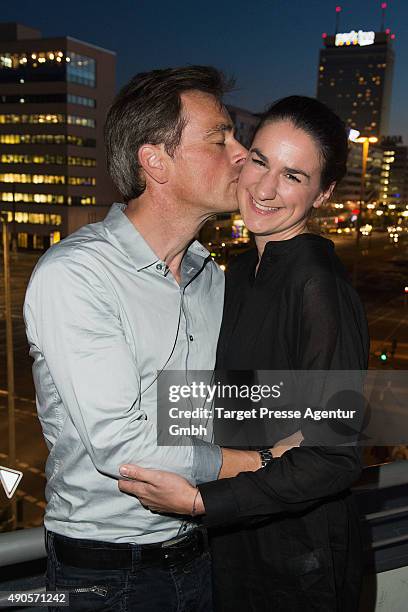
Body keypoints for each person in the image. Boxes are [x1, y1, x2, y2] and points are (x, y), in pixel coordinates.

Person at [24, 66, 299, 612]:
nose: (241, 154)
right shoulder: (78, 274)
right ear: (155, 161)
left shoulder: (211, 278)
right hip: (102, 573)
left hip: (200, 551)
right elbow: (123, 449)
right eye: (219, 139)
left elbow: (221, 403)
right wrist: (261, 463)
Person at [118, 96, 370, 612]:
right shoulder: (238, 269)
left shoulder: (317, 287)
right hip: (234, 545)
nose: (265, 187)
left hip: (299, 559)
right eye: (260, 161)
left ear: (322, 195)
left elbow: (335, 454)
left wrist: (199, 500)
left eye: (294, 176)